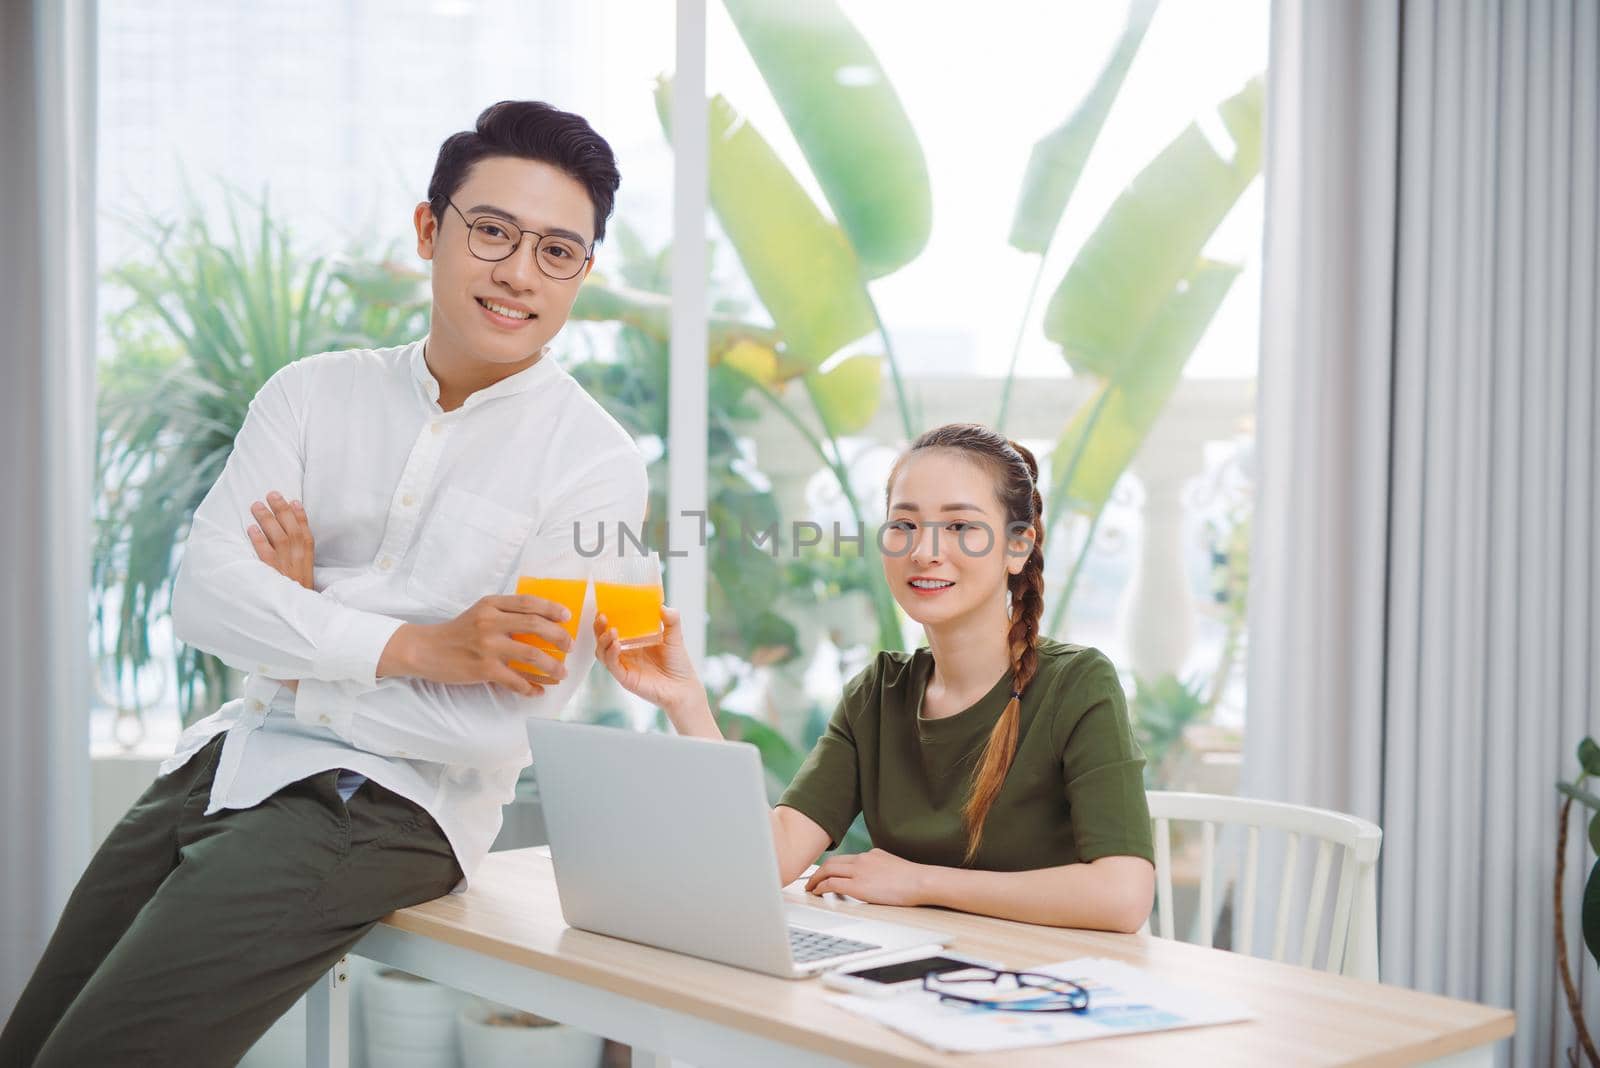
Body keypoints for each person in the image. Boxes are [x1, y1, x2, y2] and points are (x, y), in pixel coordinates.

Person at [0, 100, 646, 1067]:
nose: (520, 273)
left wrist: (301, 625)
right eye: (494, 232)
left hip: (384, 806)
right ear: (431, 230)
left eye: (558, 251)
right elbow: (207, 597)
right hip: (227, 763)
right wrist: (423, 645)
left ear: (582, 274)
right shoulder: (310, 394)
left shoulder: (593, 464)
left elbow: (507, 724)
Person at [596, 422, 1155, 932]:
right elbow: (773, 856)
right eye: (904, 524)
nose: (925, 551)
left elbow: (1123, 895)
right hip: (921, 977)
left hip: (1053, 994)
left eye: (960, 525)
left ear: (1017, 546)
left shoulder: (1078, 685)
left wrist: (919, 882)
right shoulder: (879, 696)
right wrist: (685, 700)